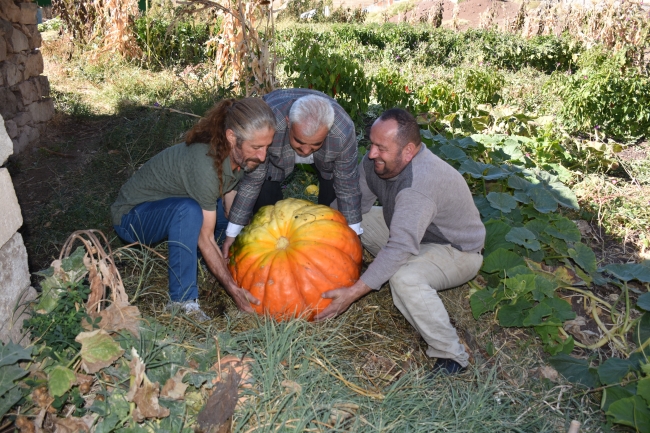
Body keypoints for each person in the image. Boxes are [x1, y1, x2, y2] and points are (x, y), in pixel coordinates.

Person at [314, 108, 486, 375]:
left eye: (381, 148)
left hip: (457, 250)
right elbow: (353, 206)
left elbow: (401, 245)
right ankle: (383, 269)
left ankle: (452, 355)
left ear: (408, 152)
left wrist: (353, 292)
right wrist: (314, 234)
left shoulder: (420, 184)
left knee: (404, 278)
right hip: (414, 228)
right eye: (371, 144)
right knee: (360, 220)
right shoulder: (376, 163)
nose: (371, 154)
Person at [111, 98, 276, 318]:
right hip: (132, 217)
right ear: (231, 137)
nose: (263, 156)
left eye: (267, 146)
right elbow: (204, 237)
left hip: (168, 207)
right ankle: (182, 302)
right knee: (189, 212)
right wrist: (233, 289)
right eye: (256, 147)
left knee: (225, 218)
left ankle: (204, 266)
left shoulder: (232, 157)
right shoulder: (206, 164)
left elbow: (229, 208)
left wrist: (235, 247)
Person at [220, 89, 362, 257]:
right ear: (288, 122)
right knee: (265, 196)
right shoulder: (270, 124)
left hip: (327, 161)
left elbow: (348, 187)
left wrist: (354, 238)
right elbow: (252, 182)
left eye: (315, 144)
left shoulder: (342, 132)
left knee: (331, 206)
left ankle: (322, 245)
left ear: (328, 131)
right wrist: (232, 234)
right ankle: (272, 242)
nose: (306, 151)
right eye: (299, 142)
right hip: (276, 153)